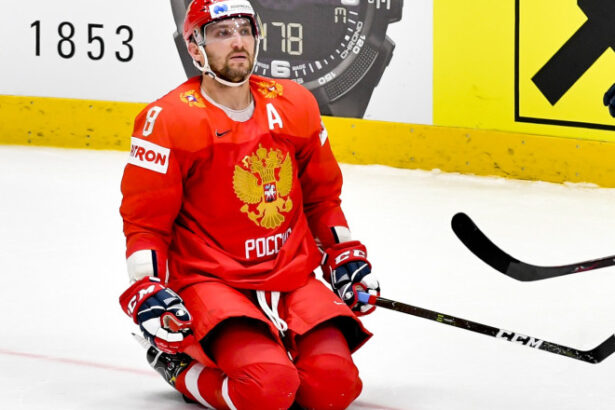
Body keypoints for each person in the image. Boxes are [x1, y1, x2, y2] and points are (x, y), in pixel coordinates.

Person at [118, 1, 380, 409]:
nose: (238, 41)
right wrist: (147, 285)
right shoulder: (169, 120)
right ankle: (177, 366)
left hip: (290, 277)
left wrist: (342, 253)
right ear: (195, 47)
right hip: (211, 282)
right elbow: (146, 224)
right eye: (222, 33)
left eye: (244, 30)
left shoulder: (295, 104)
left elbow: (321, 198)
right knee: (267, 389)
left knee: (335, 388)